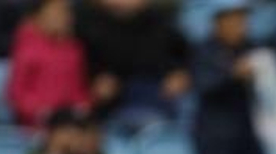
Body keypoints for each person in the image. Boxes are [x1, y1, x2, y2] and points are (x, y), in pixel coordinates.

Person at [75, 0, 191, 131]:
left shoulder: (163, 22)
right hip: (107, 104)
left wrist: (181, 74)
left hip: (156, 96)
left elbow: (186, 57)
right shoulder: (85, 23)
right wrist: (94, 80)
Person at [192, 0, 268, 154]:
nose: (240, 24)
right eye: (233, 18)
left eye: (243, 18)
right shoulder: (204, 50)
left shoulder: (252, 48)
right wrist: (233, 74)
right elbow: (204, 85)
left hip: (249, 140)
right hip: (215, 144)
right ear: (218, 22)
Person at [8, 0, 91, 129]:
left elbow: (79, 89)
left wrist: (82, 107)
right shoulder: (26, 48)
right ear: (37, 17)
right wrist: (41, 112)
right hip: (34, 125)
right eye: (55, 12)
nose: (63, 17)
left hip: (70, 122)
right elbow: (17, 94)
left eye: (65, 12)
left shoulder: (74, 49)